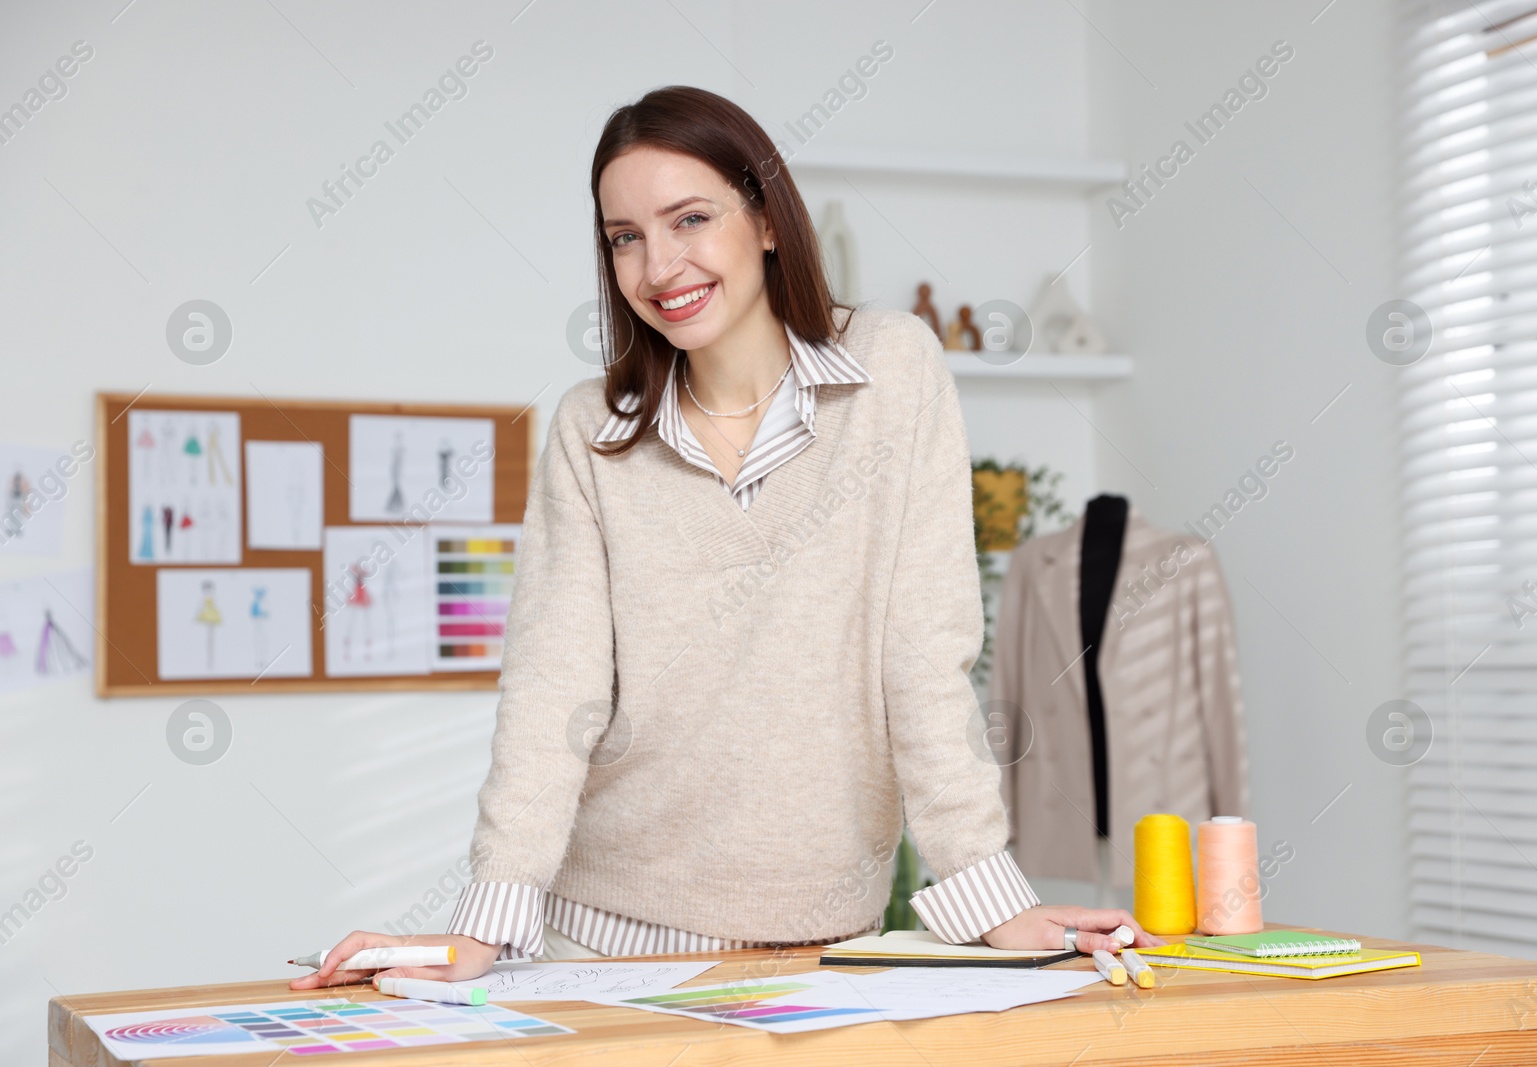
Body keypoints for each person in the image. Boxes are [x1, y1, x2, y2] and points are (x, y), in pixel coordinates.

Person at [291, 84, 1157, 992]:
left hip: (827, 947)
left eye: (690, 219)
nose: (659, 265)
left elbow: (924, 656)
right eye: (624, 237)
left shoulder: (894, 373)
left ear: (768, 219)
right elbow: (553, 692)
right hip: (608, 949)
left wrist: (989, 898)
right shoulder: (593, 430)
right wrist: (486, 921)